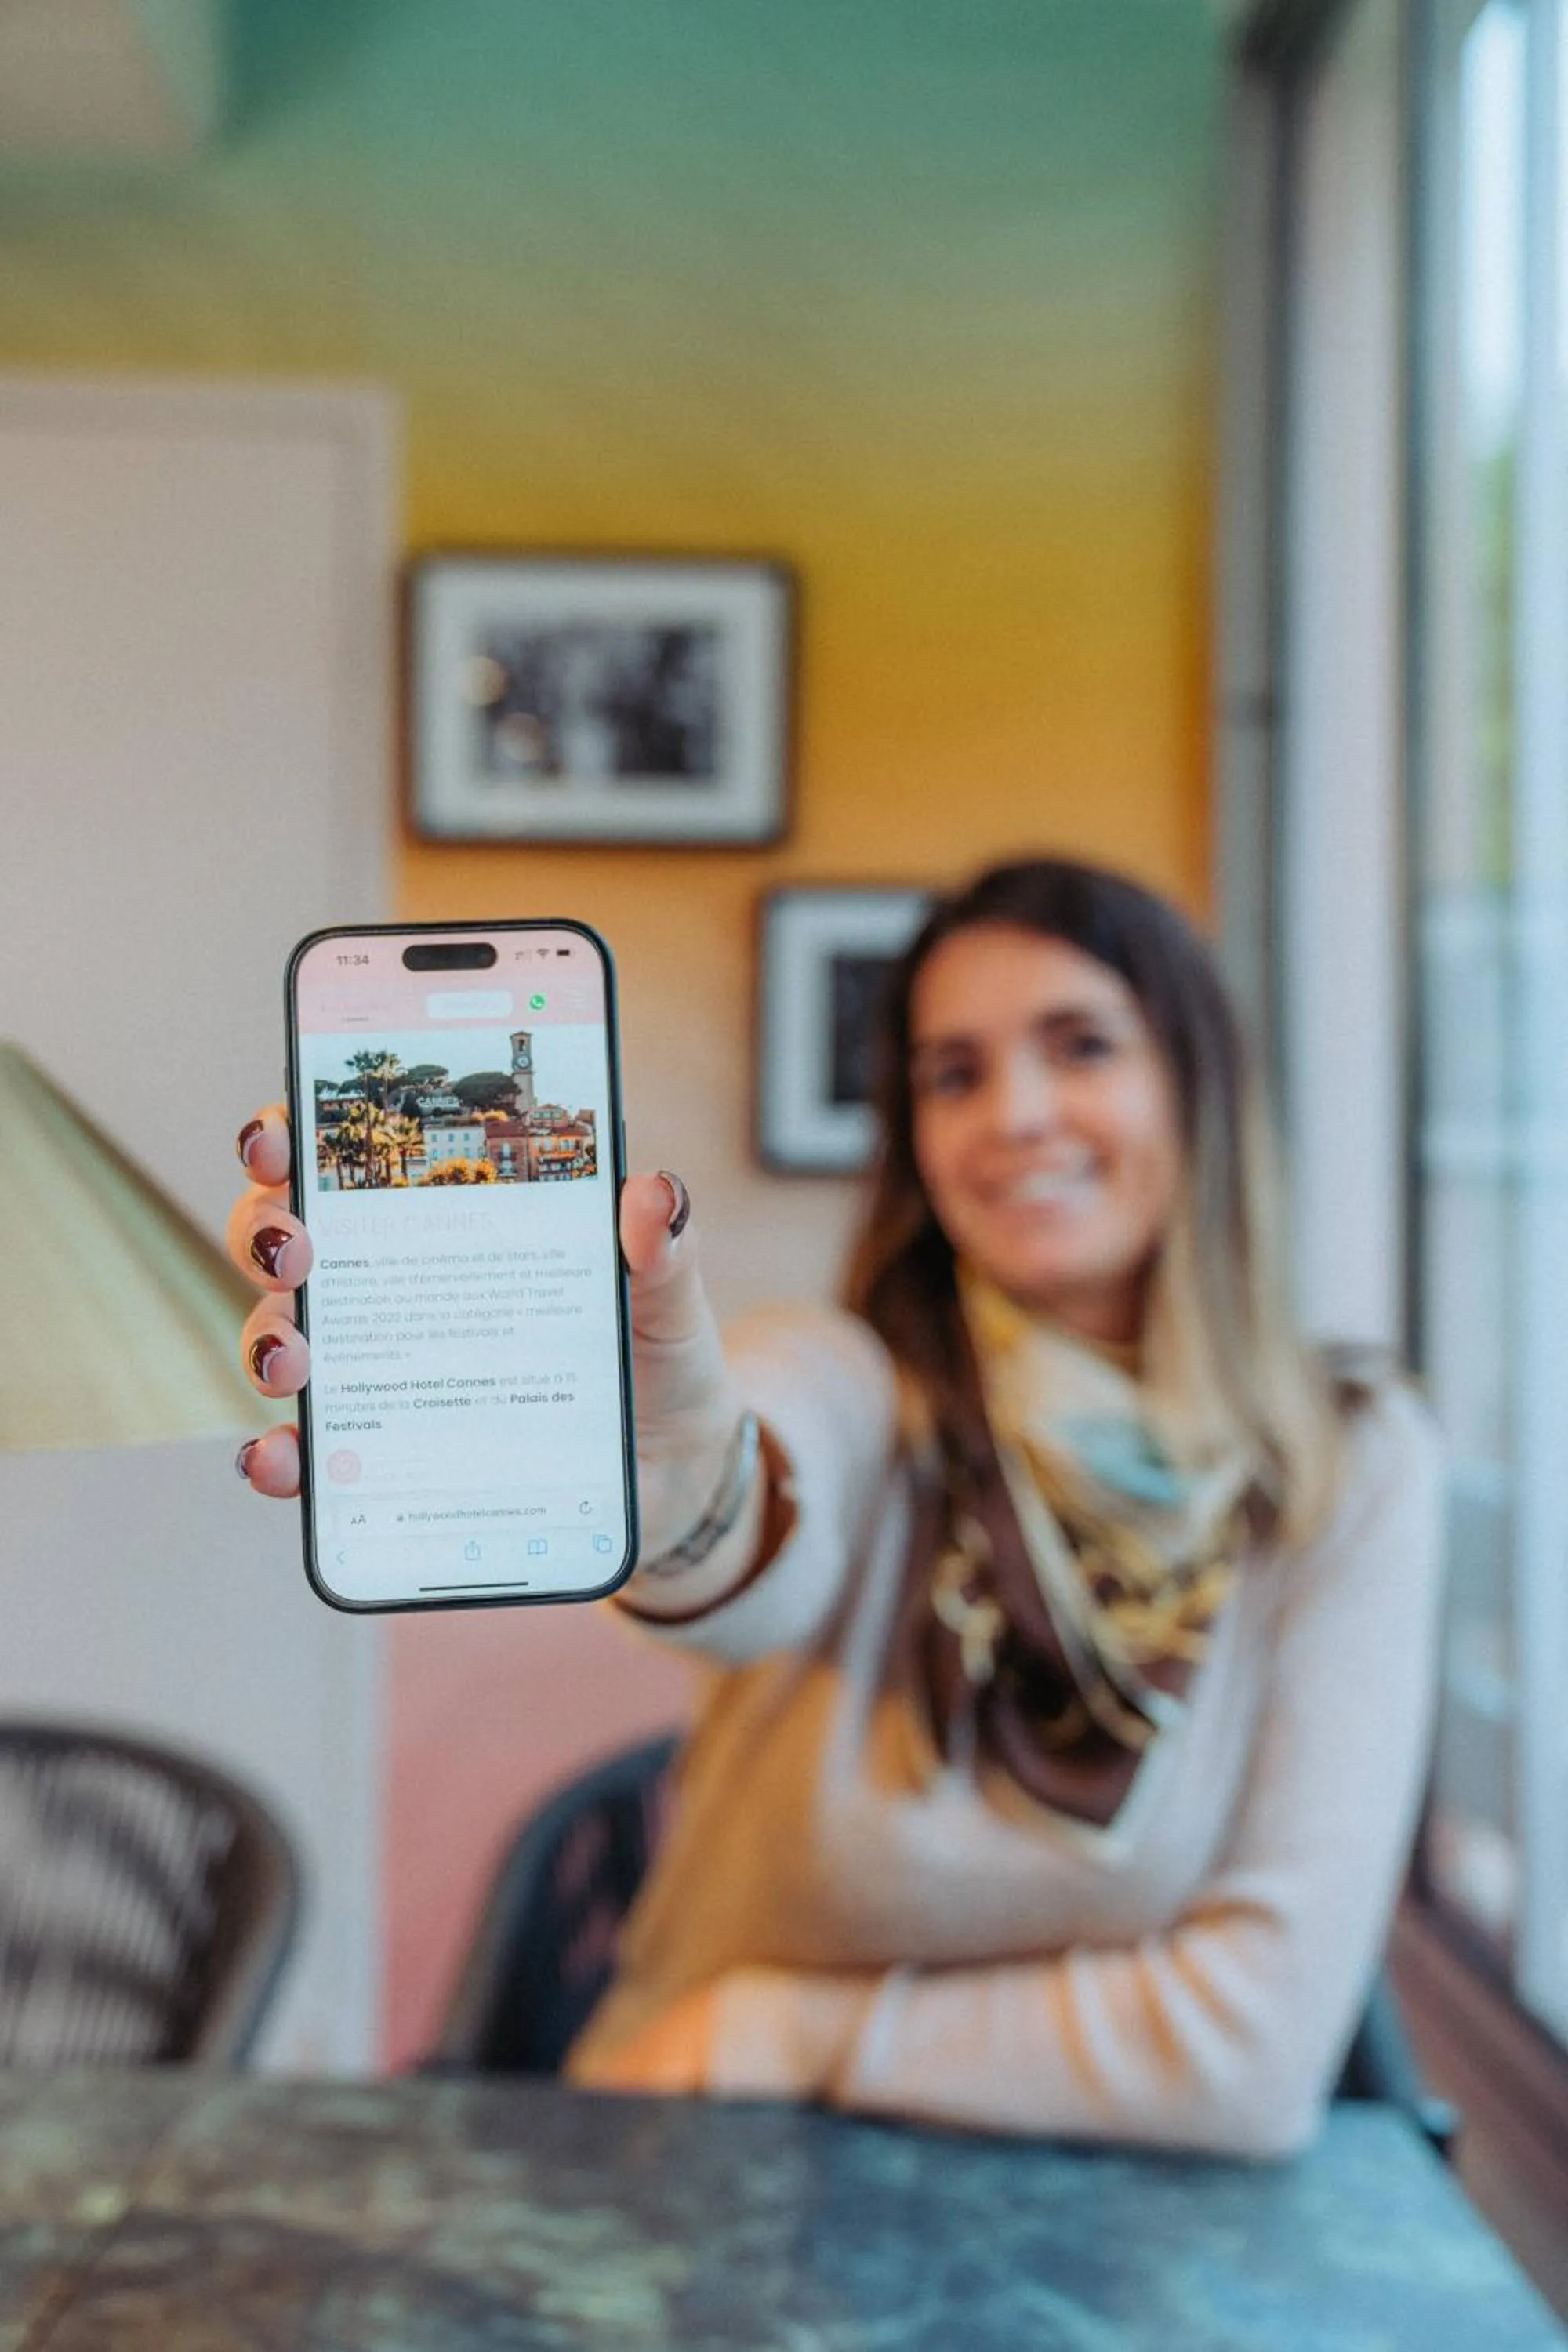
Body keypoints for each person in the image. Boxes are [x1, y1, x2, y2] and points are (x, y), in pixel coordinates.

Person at [230, 856, 1443, 2159]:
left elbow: (1249, 2053)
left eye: (1080, 1046)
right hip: (714, 2176)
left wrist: (792, 2033)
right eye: (955, 1074)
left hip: (1104, 2231)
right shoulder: (856, 1380)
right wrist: (688, 1496)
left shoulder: (1345, 1459)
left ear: (1198, 1083)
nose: (1017, 1114)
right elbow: (754, 1519)